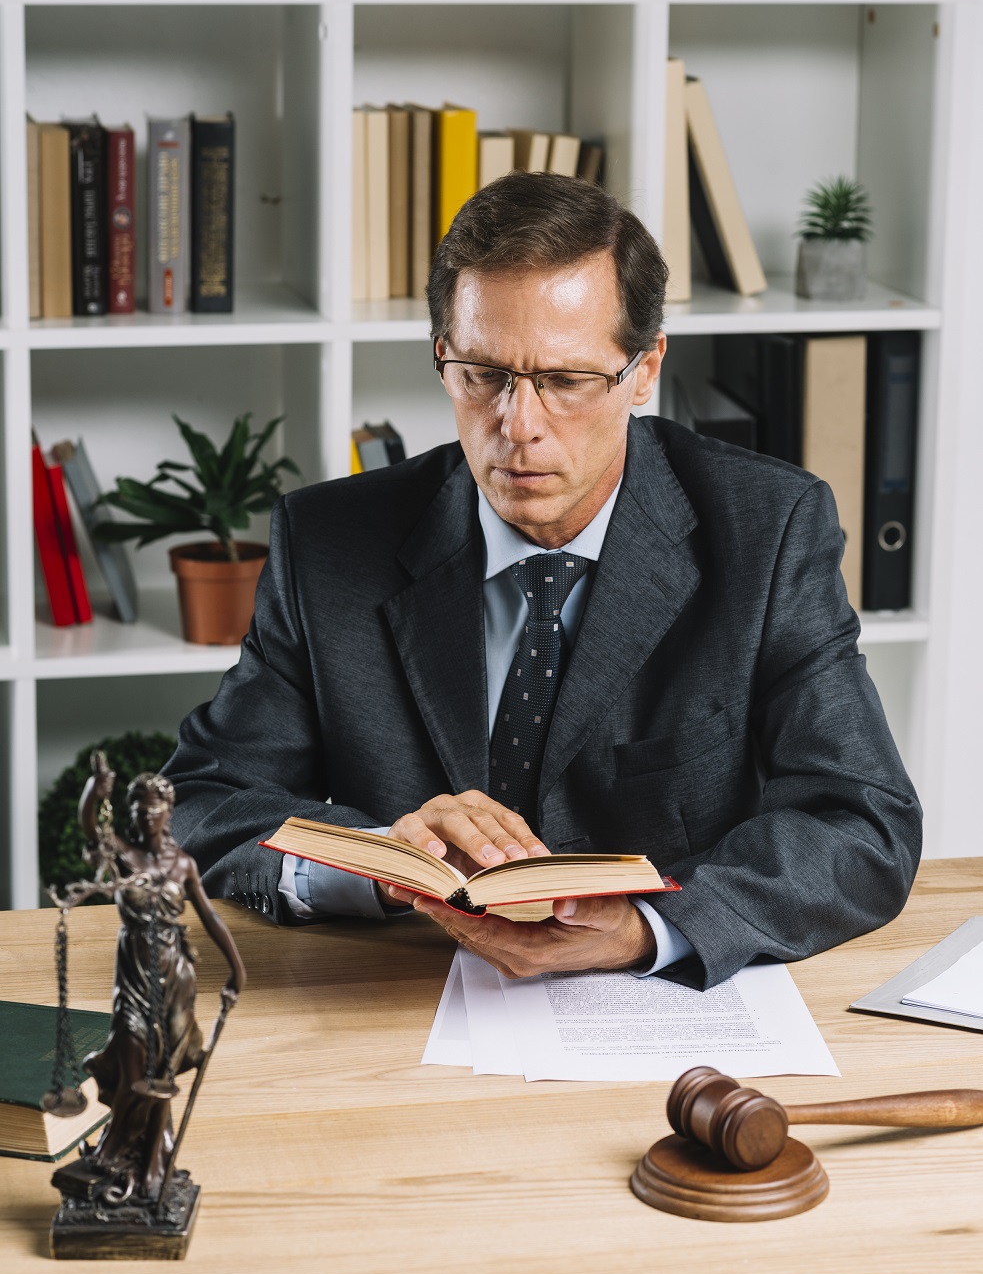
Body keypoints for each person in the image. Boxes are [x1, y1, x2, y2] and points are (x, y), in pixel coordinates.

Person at [166, 172, 921, 990]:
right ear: (440, 360)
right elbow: (199, 801)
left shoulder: (767, 531)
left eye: (566, 382)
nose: (516, 427)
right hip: (391, 998)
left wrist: (647, 929)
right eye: (481, 374)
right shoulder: (326, 543)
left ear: (643, 370)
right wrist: (380, 859)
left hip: (664, 1007)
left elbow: (861, 822)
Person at [76, 754, 246, 1202]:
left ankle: (153, 1158)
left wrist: (237, 968)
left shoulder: (184, 864)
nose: (147, 816)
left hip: (175, 975)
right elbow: (92, 827)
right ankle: (119, 1152)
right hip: (134, 971)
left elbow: (211, 917)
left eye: (155, 808)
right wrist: (97, 789)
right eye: (139, 810)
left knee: (163, 1070)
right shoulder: (126, 856)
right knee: (134, 1066)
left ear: (168, 812)